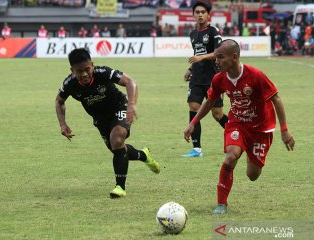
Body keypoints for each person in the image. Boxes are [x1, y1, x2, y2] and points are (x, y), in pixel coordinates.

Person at [184, 39, 295, 214]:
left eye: (220, 57)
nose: (217, 61)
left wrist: (284, 130)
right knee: (231, 156)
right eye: (216, 57)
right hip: (237, 124)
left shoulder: (256, 75)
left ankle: (251, 154)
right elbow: (210, 101)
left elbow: (276, 99)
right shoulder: (219, 78)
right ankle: (221, 203)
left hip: (260, 129)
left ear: (234, 57)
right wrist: (193, 123)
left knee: (252, 175)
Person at [55, 48, 161, 198]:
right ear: (72, 70)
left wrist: (131, 104)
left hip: (119, 107)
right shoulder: (69, 84)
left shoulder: (103, 72)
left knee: (117, 139)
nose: (84, 74)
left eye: (87, 69)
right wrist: (63, 124)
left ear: (92, 65)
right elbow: (59, 102)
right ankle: (143, 155)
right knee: (118, 150)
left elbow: (130, 82)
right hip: (100, 119)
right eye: (79, 71)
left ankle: (120, 187)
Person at [183, 0, 228, 157]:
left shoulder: (213, 31)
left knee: (217, 115)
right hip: (196, 78)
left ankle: (239, 136)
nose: (200, 15)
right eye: (197, 12)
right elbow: (197, 54)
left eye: (203, 12)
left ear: (208, 15)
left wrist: (201, 58)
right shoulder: (193, 34)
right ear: (193, 15)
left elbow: (219, 52)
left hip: (213, 79)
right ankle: (197, 149)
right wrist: (190, 69)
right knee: (193, 108)